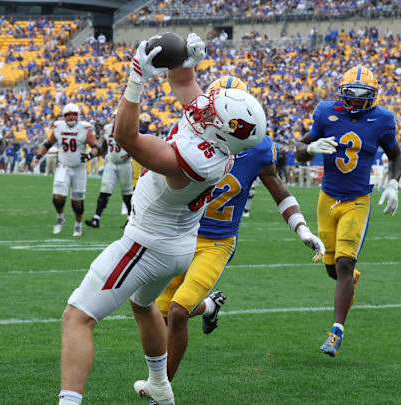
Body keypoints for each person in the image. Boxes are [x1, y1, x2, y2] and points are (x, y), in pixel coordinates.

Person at [58, 34, 265, 405]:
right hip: (178, 245)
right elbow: (185, 83)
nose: (206, 105)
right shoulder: (218, 138)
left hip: (146, 243)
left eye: (214, 108)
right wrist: (187, 62)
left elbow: (126, 138)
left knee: (76, 317)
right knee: (143, 305)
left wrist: (136, 77)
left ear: (220, 129)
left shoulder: (197, 160)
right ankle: (160, 385)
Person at [154, 76, 325, 383]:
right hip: (182, 233)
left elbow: (279, 191)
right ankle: (209, 306)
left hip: (217, 243)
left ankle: (161, 390)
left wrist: (302, 229)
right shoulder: (192, 135)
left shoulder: (259, 148)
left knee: (178, 312)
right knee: (159, 313)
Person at [295, 65, 401, 357]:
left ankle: (336, 331)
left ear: (372, 97)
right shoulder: (325, 112)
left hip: (357, 200)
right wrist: (313, 146)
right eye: (350, 96)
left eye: (361, 96)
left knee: (343, 263)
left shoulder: (381, 119)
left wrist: (392, 183)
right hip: (326, 197)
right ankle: (350, 280)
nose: (354, 101)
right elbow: (298, 151)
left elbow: (395, 155)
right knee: (332, 267)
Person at [32, 103, 98, 236]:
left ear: (78, 115)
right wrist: (38, 157)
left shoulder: (85, 128)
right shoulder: (58, 126)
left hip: (79, 168)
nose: (71, 117)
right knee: (58, 197)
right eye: (68, 115)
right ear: (64, 116)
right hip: (63, 167)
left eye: (74, 114)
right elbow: (48, 143)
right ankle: (60, 217)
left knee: (77, 201)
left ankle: (78, 225)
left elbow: (96, 148)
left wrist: (89, 155)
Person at [84, 109, 133, 228]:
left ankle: (131, 219)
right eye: (115, 117)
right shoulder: (107, 129)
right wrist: (95, 155)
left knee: (127, 192)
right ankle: (96, 218)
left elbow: (135, 145)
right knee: (105, 189)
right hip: (111, 162)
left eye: (119, 117)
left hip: (125, 164)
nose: (117, 120)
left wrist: (128, 154)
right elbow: (105, 145)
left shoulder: (129, 129)